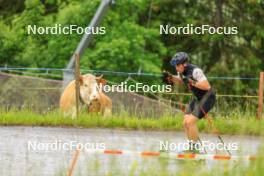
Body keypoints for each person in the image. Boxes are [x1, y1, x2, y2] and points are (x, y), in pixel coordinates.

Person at [166, 52, 216, 151]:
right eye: (175, 66)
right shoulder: (181, 71)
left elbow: (206, 86)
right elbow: (181, 81)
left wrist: (191, 82)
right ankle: (192, 147)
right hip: (197, 98)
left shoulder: (196, 71)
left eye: (177, 65)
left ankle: (195, 149)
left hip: (207, 97)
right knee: (185, 122)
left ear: (184, 64)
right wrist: (171, 77)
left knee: (190, 122)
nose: (176, 68)